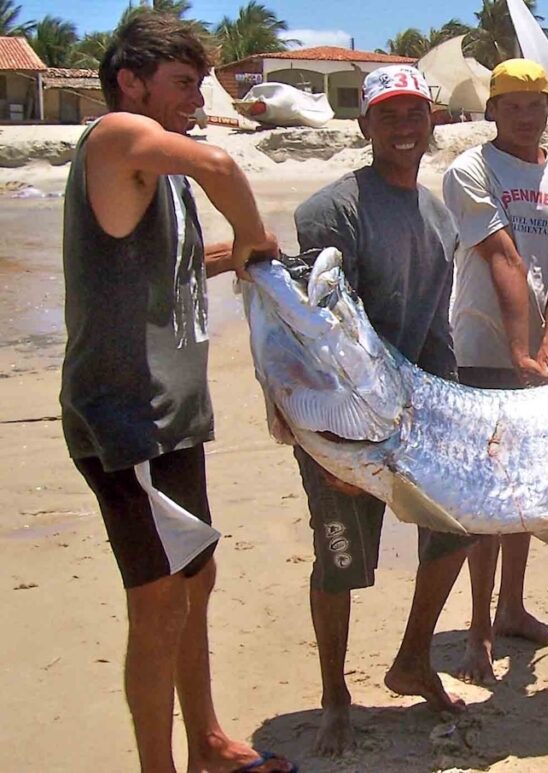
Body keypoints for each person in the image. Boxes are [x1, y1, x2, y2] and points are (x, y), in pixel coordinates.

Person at [59, 14, 293, 773]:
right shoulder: (118, 137)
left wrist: (249, 256)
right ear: (131, 81)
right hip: (126, 418)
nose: (198, 98)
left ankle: (209, 744)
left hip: (173, 419)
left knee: (197, 574)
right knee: (158, 598)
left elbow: (179, 270)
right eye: (184, 83)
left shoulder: (151, 175)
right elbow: (223, 168)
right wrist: (253, 228)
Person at [292, 64, 475, 755]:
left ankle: (412, 658)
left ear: (433, 121)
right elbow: (316, 334)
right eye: (388, 115)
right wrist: (326, 446)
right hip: (340, 421)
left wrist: (459, 417)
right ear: (364, 126)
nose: (404, 126)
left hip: (418, 419)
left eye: (415, 113)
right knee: (341, 558)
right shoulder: (328, 211)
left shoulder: (438, 216)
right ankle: (335, 692)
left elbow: (435, 332)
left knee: (458, 531)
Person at [442, 59, 548, 684]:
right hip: (480, 347)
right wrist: (517, 348)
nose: (527, 115)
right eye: (514, 104)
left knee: (524, 492)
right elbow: (500, 253)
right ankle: (477, 628)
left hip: (537, 357)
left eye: (537, 104)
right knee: (486, 498)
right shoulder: (469, 170)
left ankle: (512, 608)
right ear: (493, 110)